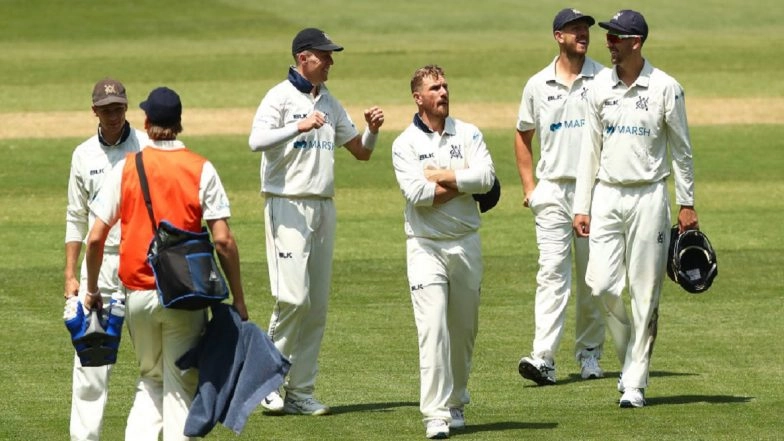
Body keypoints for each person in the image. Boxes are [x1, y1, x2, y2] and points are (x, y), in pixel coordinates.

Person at [83, 86, 248, 439]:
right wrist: (239, 298)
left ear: (146, 121)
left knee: (150, 380)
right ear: (180, 123)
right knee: (180, 385)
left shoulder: (128, 167)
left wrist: (93, 289)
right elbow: (223, 240)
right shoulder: (200, 168)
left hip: (138, 294)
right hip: (185, 294)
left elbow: (95, 237)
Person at [248, 27, 385, 416]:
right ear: (303, 57)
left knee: (317, 306)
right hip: (286, 203)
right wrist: (299, 125)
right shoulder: (279, 96)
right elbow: (255, 141)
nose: (330, 61)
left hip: (323, 206)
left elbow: (360, 152)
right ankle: (266, 381)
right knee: (293, 298)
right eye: (324, 55)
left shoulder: (330, 101)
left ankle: (300, 392)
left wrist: (372, 131)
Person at [572, 10, 699, 408]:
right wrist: (582, 204)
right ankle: (630, 358)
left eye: (615, 38)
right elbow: (588, 151)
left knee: (646, 292)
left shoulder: (666, 87)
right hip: (607, 194)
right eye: (607, 37)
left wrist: (687, 203)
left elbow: (681, 148)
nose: (607, 43)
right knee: (602, 285)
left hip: (649, 196)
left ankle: (635, 382)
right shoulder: (597, 88)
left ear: (636, 42)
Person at [392, 65, 496, 439]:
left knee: (463, 330)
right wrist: (463, 178)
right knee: (432, 330)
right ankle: (435, 414)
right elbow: (419, 198)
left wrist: (441, 176)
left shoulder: (468, 133)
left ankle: (456, 400)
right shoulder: (404, 143)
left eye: (446, 86)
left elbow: (488, 179)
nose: (443, 92)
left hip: (466, 242)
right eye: (435, 88)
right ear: (418, 97)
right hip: (425, 247)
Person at [514, 8, 607, 386]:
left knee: (591, 277)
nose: (583, 33)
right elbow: (523, 134)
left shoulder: (603, 79)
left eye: (585, 29)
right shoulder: (537, 84)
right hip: (552, 189)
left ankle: (589, 356)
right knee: (551, 273)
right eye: (575, 29)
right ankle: (543, 359)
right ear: (558, 36)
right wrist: (529, 189)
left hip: (594, 189)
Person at [64, 78, 148, 441]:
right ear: (94, 111)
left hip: (143, 263)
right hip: (98, 266)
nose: (114, 115)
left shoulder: (146, 146)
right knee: (91, 360)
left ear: (126, 108)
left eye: (119, 107)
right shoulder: (83, 155)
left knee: (152, 357)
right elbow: (75, 218)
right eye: (106, 109)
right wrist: (71, 275)